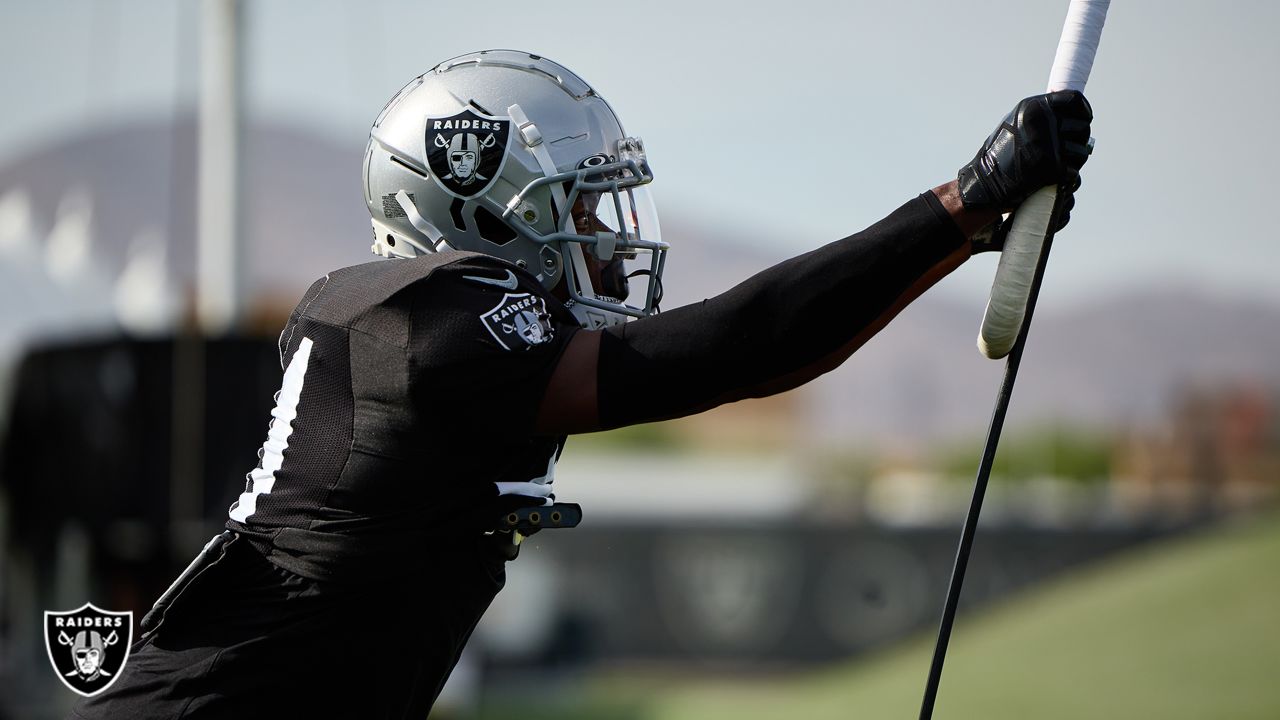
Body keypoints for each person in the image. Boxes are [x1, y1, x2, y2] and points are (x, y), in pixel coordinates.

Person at [73, 49, 1091, 719]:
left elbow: (763, 352)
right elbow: (736, 350)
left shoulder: (407, 321)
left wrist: (958, 236)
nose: (602, 240)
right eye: (578, 208)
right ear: (473, 208)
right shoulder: (410, 318)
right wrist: (959, 206)